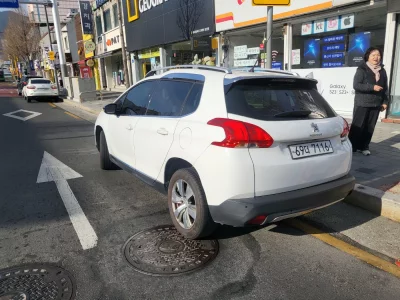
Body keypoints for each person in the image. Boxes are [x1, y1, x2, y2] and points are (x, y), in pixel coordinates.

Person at [348, 47, 388, 156]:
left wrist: (385, 102)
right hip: (362, 103)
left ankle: (364, 146)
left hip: (376, 103)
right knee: (358, 126)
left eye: (378, 55)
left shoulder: (382, 70)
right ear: (368, 56)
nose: (376, 57)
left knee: (370, 127)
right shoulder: (362, 69)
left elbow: (385, 88)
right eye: (373, 55)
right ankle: (352, 146)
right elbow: (356, 85)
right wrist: (372, 87)